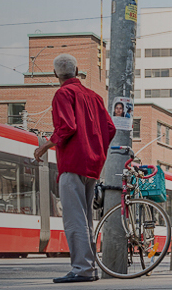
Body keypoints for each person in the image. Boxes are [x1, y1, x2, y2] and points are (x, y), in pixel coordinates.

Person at [33, 54, 114, 284]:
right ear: (77, 71)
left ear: (55, 74)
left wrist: (44, 146)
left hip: (72, 163)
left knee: (74, 219)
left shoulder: (63, 93)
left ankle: (82, 269)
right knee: (86, 218)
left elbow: (67, 127)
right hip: (92, 164)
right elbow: (110, 128)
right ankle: (89, 268)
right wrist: (97, 151)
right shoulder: (95, 96)